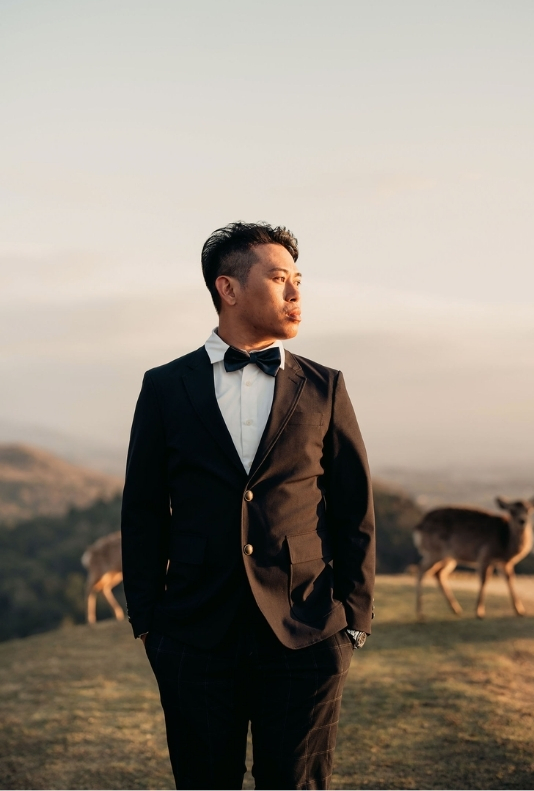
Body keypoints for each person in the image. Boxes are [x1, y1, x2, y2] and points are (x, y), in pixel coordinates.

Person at [122, 222, 376, 789]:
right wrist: (148, 621)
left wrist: (353, 620)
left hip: (306, 630)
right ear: (228, 288)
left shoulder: (325, 385)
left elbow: (353, 507)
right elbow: (141, 509)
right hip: (192, 633)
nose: (295, 294)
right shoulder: (164, 386)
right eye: (279, 278)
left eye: (299, 281)